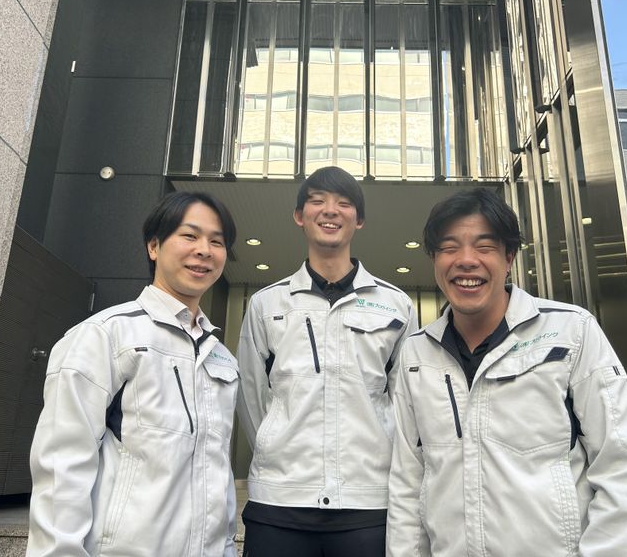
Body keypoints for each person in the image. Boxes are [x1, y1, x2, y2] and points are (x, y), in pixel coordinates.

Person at [387, 188, 627, 557]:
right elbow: (407, 480)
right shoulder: (417, 353)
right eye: (449, 247)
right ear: (433, 258)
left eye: (484, 247)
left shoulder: (571, 332)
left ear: (509, 257)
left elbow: (624, 460)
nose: (466, 260)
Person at [27, 192, 239, 557]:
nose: (204, 250)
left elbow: (217, 468)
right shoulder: (106, 334)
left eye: (216, 242)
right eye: (189, 236)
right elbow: (62, 464)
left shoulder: (221, 356)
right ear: (154, 246)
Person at [237, 166, 416, 557]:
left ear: (359, 219)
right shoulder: (266, 304)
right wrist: (273, 445)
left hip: (367, 499)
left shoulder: (396, 305)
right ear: (299, 216)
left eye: (344, 203)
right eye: (317, 201)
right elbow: (251, 394)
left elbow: (404, 401)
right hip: (279, 498)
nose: (330, 210)